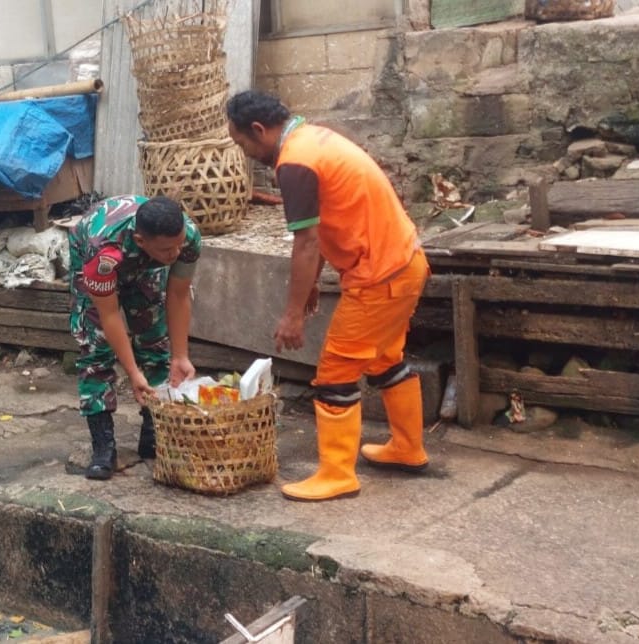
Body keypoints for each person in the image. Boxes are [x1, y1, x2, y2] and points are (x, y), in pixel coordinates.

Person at [225, 90, 430, 502]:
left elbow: (306, 241)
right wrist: (312, 284)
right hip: (406, 263)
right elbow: (320, 232)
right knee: (386, 357)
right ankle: (408, 448)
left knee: (335, 371)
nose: (245, 152)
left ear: (260, 130)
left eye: (242, 142)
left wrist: (293, 315)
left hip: (378, 276)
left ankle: (337, 473)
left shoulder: (295, 163)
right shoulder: (314, 139)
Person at [68, 194, 201, 480]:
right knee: (96, 347)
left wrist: (181, 356)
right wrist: (132, 372)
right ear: (141, 241)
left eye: (179, 244)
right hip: (96, 260)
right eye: (168, 249)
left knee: (154, 342)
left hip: (146, 266)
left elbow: (177, 295)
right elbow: (110, 315)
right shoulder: (102, 247)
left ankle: (153, 432)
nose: (176, 253)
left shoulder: (186, 237)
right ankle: (103, 446)